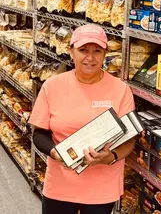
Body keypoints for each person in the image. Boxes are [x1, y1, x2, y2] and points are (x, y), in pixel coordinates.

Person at [30, 25, 136, 214]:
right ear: (71, 51)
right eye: (83, 50)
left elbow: (129, 140)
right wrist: (56, 153)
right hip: (60, 185)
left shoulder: (121, 90)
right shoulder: (52, 86)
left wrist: (110, 157)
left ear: (105, 54)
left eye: (97, 51)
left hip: (102, 188)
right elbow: (39, 134)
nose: (90, 57)